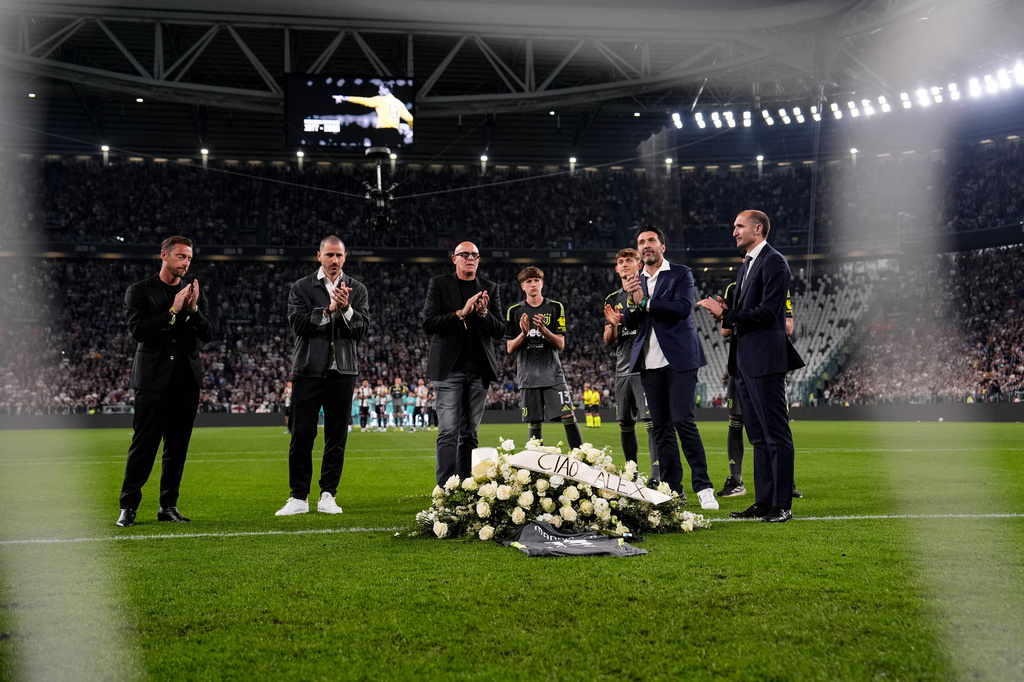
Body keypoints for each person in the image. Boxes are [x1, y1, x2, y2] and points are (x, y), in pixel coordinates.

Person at [698, 211, 805, 523]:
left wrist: (726, 315)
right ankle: (763, 500)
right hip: (744, 360)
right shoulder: (747, 264)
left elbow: (769, 311)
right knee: (757, 436)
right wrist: (727, 313)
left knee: (776, 434)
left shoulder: (774, 261)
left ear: (757, 229)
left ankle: (782, 504)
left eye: (739, 226)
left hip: (766, 358)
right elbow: (747, 311)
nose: (734, 231)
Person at [117, 236, 213, 527]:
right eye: (181, 257)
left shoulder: (196, 291)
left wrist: (194, 309)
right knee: (143, 445)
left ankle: (167, 506)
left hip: (186, 381)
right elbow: (140, 332)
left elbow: (208, 334)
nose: (186, 263)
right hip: (152, 381)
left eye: (189, 258)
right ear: (164, 255)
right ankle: (128, 507)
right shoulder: (139, 291)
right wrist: (173, 310)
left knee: (177, 449)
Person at [623, 226, 717, 510]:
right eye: (641, 242)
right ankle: (672, 489)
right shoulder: (635, 279)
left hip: (679, 360)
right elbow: (630, 323)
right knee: (662, 428)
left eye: (651, 240)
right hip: (649, 364)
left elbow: (682, 308)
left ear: (662, 246)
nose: (646, 245)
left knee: (682, 421)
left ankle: (703, 487)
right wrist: (631, 302)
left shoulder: (680, 273)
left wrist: (646, 302)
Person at [276, 235, 369, 516]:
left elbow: (363, 329)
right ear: (319, 256)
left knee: (336, 437)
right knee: (301, 435)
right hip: (308, 371)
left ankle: (328, 494)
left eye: (339, 256)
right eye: (329, 255)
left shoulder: (358, 289)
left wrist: (347, 308)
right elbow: (299, 324)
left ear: (345, 257)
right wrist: (329, 310)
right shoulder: (301, 288)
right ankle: (298, 498)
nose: (334, 260)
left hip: (343, 371)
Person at [421, 241, 505, 485]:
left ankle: (466, 489)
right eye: (465, 254)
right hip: (449, 370)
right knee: (448, 432)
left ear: (479, 260)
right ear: (454, 258)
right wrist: (461, 313)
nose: (470, 258)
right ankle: (445, 490)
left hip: (479, 371)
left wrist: (483, 314)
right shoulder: (438, 284)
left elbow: (499, 330)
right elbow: (429, 323)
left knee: (469, 435)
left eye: (475, 255)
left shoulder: (490, 287)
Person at [716, 281, 803, 499]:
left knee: (774, 421)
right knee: (736, 420)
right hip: (741, 360)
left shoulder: (774, 284)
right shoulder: (734, 288)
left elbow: (789, 327)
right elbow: (725, 330)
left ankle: (784, 480)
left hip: (768, 360)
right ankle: (736, 480)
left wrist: (743, 317)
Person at [505, 266, 584, 450]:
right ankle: (535, 470)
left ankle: (582, 461)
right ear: (522, 287)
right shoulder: (514, 311)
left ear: (542, 283)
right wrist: (523, 333)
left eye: (536, 280)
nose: (533, 284)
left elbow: (560, 344)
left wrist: (544, 330)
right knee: (534, 422)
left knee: (568, 415)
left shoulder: (555, 307)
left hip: (553, 374)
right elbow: (510, 348)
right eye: (528, 281)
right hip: (528, 376)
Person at [603, 248, 657, 474]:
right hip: (623, 368)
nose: (625, 264)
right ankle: (631, 473)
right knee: (625, 423)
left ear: (639, 264)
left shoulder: (648, 291)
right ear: (616, 268)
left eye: (630, 260)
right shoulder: (612, 298)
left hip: (645, 365)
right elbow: (608, 340)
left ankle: (656, 476)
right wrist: (614, 324)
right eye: (621, 262)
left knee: (652, 423)